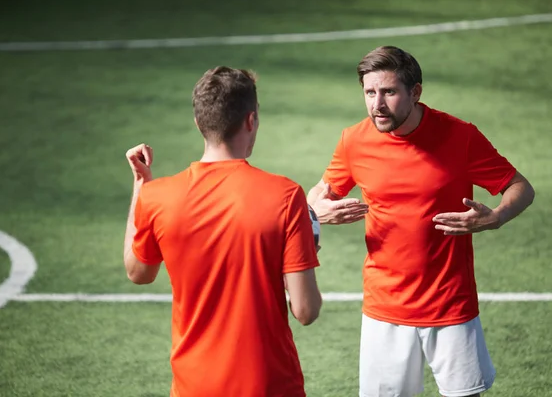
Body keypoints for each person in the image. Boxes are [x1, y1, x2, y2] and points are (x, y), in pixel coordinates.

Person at [307, 46, 535, 397]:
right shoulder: (354, 141)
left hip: (451, 303)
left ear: (415, 92)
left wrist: (497, 217)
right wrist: (318, 212)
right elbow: (316, 196)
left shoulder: (460, 136)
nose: (377, 105)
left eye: (389, 92)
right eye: (370, 92)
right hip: (385, 305)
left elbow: (520, 187)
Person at [123, 66, 322, 397]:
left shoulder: (156, 197)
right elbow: (305, 310)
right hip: (269, 385)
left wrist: (141, 184)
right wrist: (306, 246)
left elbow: (138, 272)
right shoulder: (285, 195)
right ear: (251, 120)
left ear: (199, 123)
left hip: (194, 386)